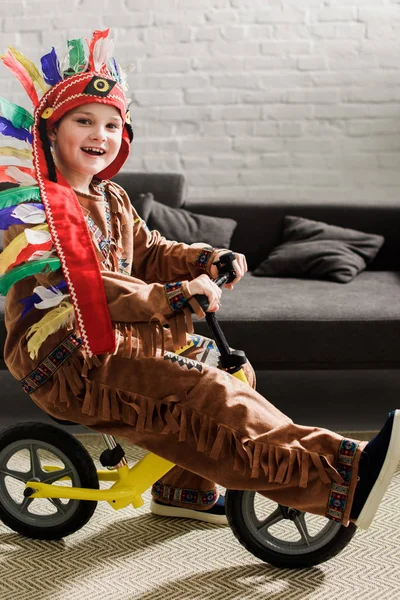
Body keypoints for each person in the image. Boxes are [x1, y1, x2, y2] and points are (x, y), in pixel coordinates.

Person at [0, 29, 398, 532]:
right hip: (68, 361)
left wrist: (205, 260)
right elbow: (86, 288)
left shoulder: (112, 198)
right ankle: (338, 475)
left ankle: (183, 490)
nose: (99, 134)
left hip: (114, 344)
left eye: (112, 124)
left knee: (231, 369)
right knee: (209, 395)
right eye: (83, 121)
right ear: (51, 132)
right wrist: (170, 297)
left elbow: (149, 252)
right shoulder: (36, 209)